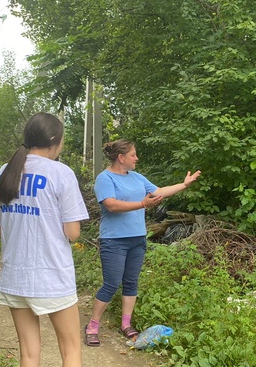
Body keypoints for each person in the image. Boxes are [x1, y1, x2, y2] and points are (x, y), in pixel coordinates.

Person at [0, 112, 97, 367]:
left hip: (15, 277)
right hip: (53, 278)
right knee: (70, 351)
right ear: (56, 142)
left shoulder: (6, 174)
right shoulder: (61, 174)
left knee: (29, 354)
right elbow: (72, 231)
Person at [85, 139, 201, 346]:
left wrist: (184, 184)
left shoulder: (137, 177)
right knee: (111, 284)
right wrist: (141, 204)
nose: (137, 158)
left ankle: (126, 324)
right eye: (133, 155)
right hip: (114, 240)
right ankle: (93, 326)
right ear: (121, 158)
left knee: (131, 282)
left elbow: (159, 191)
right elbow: (111, 205)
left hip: (137, 238)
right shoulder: (105, 179)